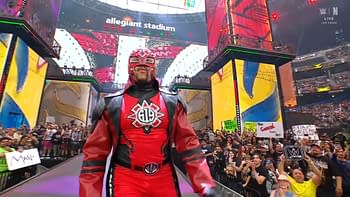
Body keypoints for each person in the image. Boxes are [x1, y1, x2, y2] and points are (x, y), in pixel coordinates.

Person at [79, 49, 216, 197]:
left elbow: (190, 145)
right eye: (138, 66)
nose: (142, 68)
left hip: (163, 177)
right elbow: (94, 155)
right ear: (130, 68)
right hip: (126, 178)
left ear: (154, 67)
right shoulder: (111, 104)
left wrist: (205, 185)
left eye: (147, 64)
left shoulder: (172, 102)